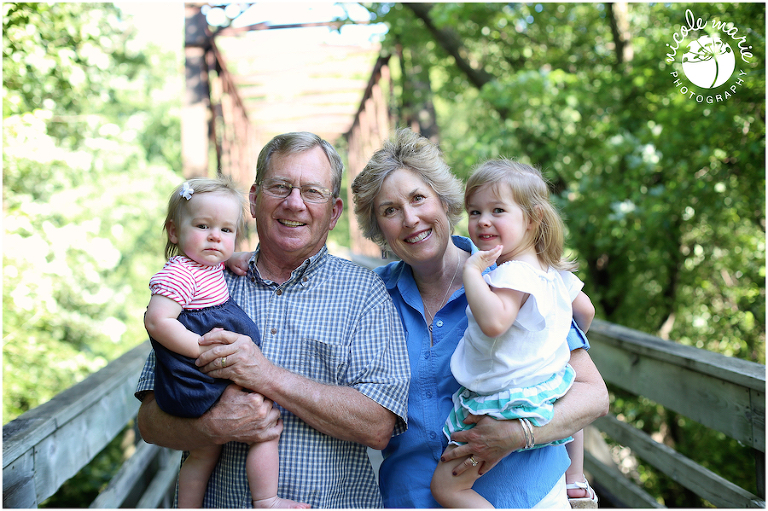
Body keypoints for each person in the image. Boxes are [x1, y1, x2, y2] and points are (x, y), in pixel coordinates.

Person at [135, 132, 410, 508]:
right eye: (280, 186)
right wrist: (211, 425)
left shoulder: (364, 292)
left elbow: (379, 426)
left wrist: (265, 375)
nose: (294, 203)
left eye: (312, 191)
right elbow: (149, 422)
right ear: (253, 199)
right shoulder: (205, 281)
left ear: (334, 213)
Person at [351, 128, 608, 508]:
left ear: (444, 201)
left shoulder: (511, 277)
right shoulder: (370, 297)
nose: (410, 219)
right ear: (379, 229)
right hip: (411, 498)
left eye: (419, 198)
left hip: (524, 496)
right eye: (390, 210)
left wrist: (519, 432)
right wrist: (234, 262)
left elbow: (592, 395)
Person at [429, 158, 597, 508]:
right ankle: (575, 479)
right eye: (474, 212)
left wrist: (473, 272)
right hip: (543, 393)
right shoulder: (551, 273)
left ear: (533, 219)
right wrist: (551, 347)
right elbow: (585, 310)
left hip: (503, 405)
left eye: (498, 210)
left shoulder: (509, 275)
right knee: (565, 381)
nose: (482, 221)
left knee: (448, 489)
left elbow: (493, 322)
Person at [143, 177, 307, 509]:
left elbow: (217, 262)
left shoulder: (208, 266)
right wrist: (203, 350)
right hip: (200, 372)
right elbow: (157, 321)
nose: (215, 236)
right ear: (174, 232)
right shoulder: (179, 273)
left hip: (207, 369)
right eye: (203, 226)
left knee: (203, 453)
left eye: (226, 231)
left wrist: (232, 258)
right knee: (266, 424)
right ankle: (266, 498)